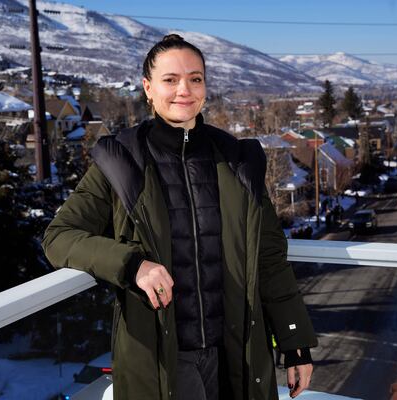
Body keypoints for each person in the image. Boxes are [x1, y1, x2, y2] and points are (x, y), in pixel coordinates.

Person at [42, 34, 317, 400]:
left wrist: (295, 341)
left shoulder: (237, 160)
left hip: (236, 352)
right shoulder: (122, 162)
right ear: (148, 89)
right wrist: (133, 265)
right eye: (170, 80)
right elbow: (59, 237)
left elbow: (268, 258)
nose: (184, 89)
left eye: (195, 78)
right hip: (163, 358)